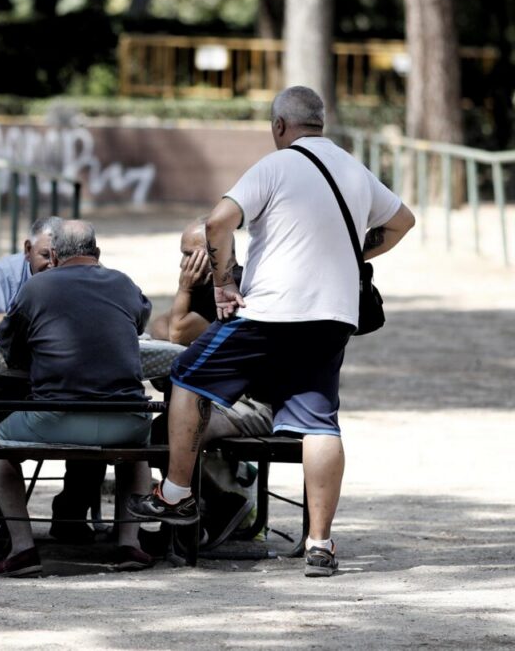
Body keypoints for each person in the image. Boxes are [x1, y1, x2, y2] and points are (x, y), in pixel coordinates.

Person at [127, 86, 415, 577]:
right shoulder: (352, 168)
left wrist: (221, 285)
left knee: (187, 376)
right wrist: (352, 256)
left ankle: (174, 494)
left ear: (279, 126)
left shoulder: (275, 165)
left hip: (272, 312)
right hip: (333, 315)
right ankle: (320, 545)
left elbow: (218, 223)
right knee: (320, 421)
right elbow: (402, 221)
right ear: (320, 122)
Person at [0, 220, 155, 576]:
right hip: (125, 420)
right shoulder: (124, 283)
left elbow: (10, 348)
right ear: (97, 253)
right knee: (137, 451)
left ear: (57, 255)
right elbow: (139, 322)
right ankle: (130, 543)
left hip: (56, 418)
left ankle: (22, 548)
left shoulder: (36, 287)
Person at [0, 216, 109, 544]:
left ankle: (71, 513)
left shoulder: (77, 278)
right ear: (27, 250)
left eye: (59, 256)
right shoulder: (7, 273)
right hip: (5, 382)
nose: (53, 264)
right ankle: (5, 517)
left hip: (64, 384)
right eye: (45, 256)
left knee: (95, 408)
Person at [147, 221, 273, 548]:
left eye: (191, 255)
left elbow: (175, 332)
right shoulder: (210, 287)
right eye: (182, 255)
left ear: (218, 252)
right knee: (165, 426)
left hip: (253, 404)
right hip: (222, 399)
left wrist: (184, 290)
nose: (183, 264)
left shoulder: (238, 288)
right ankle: (199, 514)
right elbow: (160, 324)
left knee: (165, 433)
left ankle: (216, 508)